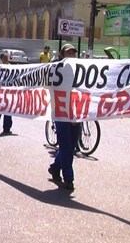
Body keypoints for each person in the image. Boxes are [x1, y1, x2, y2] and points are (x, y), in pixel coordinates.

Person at [47, 44, 80, 190]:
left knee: (71, 146)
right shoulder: (55, 69)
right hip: (60, 112)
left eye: (73, 53)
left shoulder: (80, 70)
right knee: (66, 146)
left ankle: (55, 167)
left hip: (75, 111)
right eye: (68, 53)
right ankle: (68, 178)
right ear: (61, 55)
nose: (71, 56)